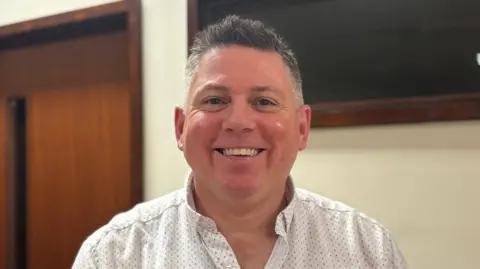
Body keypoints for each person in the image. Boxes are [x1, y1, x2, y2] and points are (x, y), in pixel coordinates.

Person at [72, 15, 407, 269]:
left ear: (302, 128)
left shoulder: (368, 251)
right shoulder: (113, 256)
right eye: (215, 101)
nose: (238, 122)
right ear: (180, 127)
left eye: (264, 102)